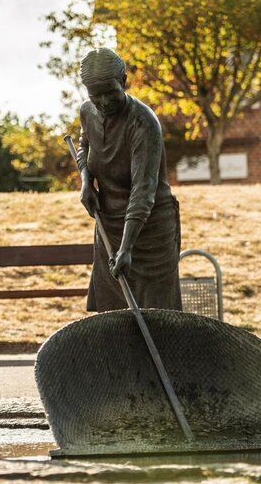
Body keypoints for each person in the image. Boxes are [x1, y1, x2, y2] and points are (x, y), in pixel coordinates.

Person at [75, 47, 182, 311]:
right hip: (108, 223)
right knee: (112, 314)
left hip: (148, 231)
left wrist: (126, 248)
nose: (103, 102)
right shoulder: (87, 112)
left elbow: (143, 190)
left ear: (123, 81)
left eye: (110, 92)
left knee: (155, 314)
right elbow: (84, 146)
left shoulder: (143, 122)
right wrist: (86, 180)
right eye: (94, 95)